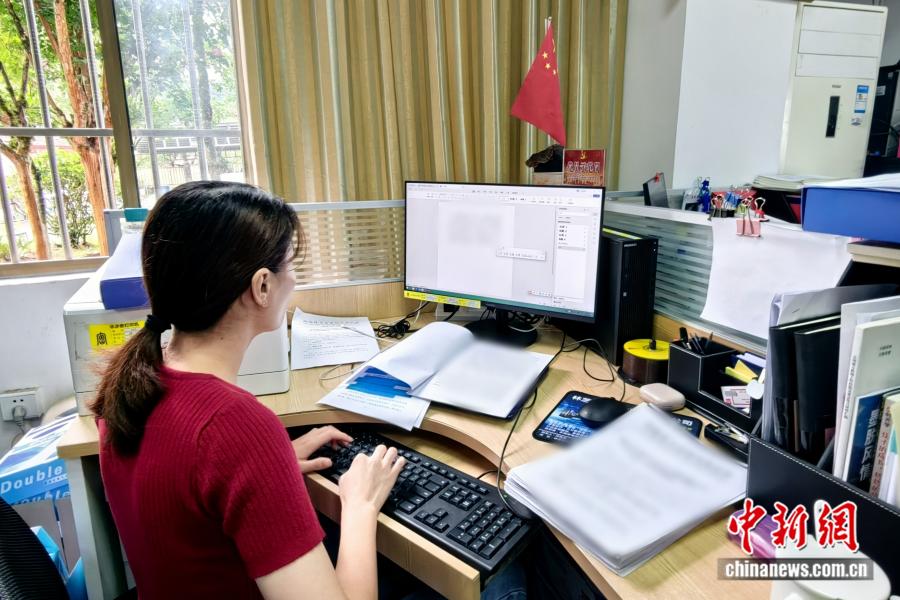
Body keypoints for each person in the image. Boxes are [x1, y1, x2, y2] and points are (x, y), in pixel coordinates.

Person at [93, 181, 404, 599]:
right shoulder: (234, 425)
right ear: (262, 287)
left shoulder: (130, 380)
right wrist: (360, 504)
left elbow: (188, 489)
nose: (293, 280)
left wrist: (269, 468)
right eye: (289, 266)